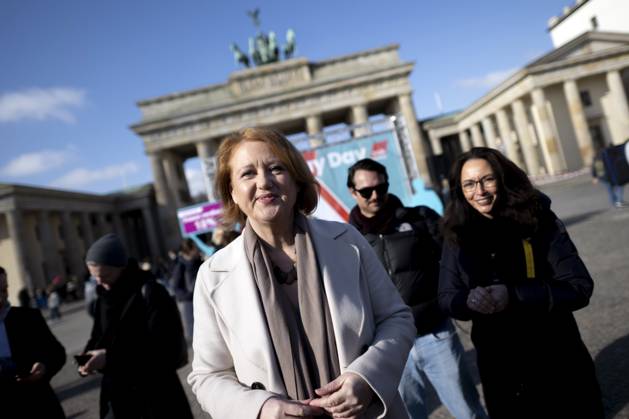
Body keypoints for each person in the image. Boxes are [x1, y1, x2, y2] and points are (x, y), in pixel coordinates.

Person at [188, 127, 415, 419]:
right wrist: (260, 409)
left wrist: (367, 378)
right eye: (247, 174)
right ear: (232, 191)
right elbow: (207, 375)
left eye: (276, 168)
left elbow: (397, 318)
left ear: (296, 182)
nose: (264, 182)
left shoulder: (347, 240)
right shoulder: (213, 274)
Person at [438, 147, 604, 419]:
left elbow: (579, 287)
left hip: (557, 356)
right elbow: (446, 296)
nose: (479, 191)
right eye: (469, 184)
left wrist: (514, 295)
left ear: (503, 179)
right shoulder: (455, 233)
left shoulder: (539, 220)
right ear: (459, 189)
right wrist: (467, 301)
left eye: (487, 180)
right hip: (501, 368)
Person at [346, 158, 487, 419]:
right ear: (352, 192)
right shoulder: (345, 240)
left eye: (381, 187)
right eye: (366, 191)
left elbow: (455, 259)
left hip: (435, 333)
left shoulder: (420, 219)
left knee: (469, 411)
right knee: (408, 415)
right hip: (388, 345)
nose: (375, 195)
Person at [78, 233, 192, 419]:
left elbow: (164, 348)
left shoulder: (150, 292)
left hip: (156, 397)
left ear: (121, 267)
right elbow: (97, 336)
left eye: (104, 275)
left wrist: (110, 358)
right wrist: (86, 357)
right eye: (94, 277)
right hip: (118, 398)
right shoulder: (103, 297)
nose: (99, 282)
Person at [0, 266, 67, 419]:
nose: (1, 298)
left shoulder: (28, 318)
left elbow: (57, 353)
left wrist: (44, 366)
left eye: (4, 290)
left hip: (39, 406)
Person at [171, 238, 202, 344]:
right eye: (194, 247)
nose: (197, 250)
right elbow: (175, 286)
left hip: (198, 298)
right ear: (189, 250)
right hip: (187, 302)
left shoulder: (198, 261)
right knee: (192, 331)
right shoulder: (180, 265)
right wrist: (188, 295)